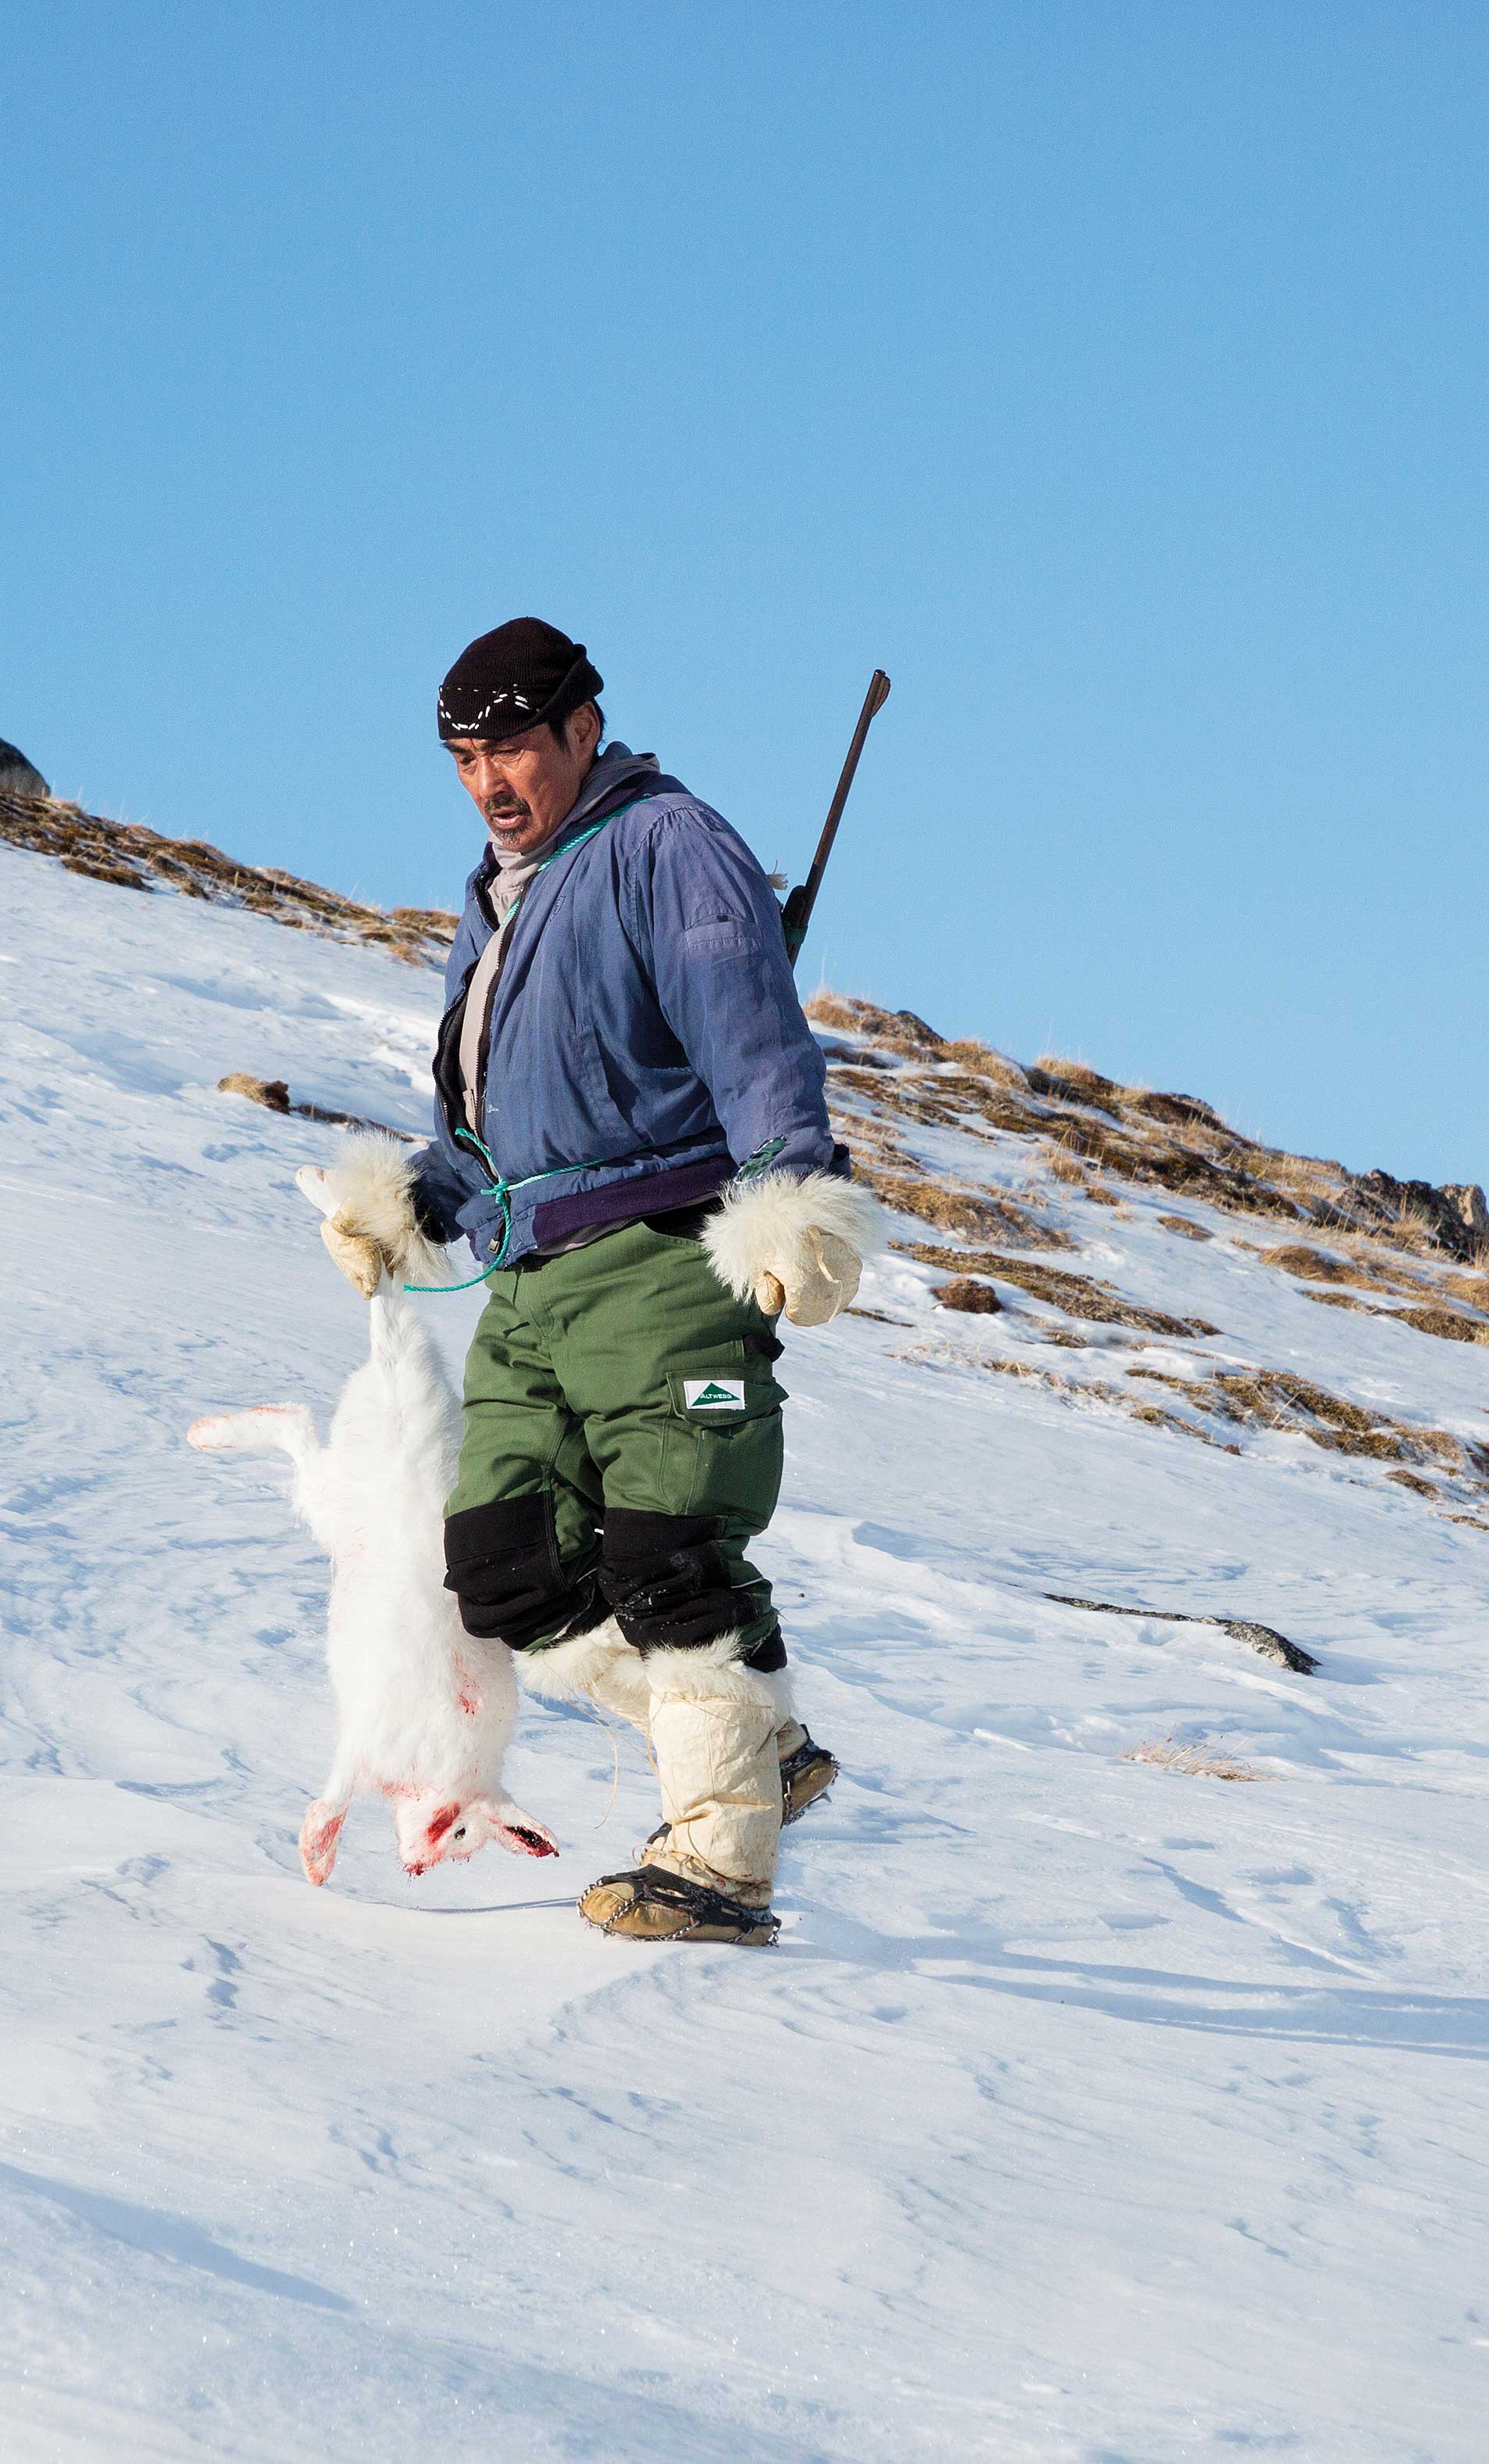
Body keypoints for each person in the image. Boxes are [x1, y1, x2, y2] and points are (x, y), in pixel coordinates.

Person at [315, 619, 883, 1945]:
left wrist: (791, 1192)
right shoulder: (500, 895)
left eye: (512, 745)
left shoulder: (663, 844)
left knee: (670, 1550)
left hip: (661, 1258)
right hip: (529, 1281)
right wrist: (417, 1201)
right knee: (505, 1574)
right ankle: (755, 1742)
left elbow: (752, 1034)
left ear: (583, 726)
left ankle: (722, 1862)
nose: (490, 780)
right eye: (465, 757)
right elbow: (493, 1117)